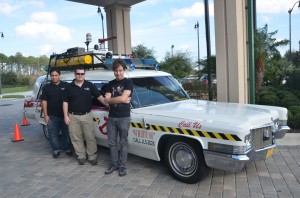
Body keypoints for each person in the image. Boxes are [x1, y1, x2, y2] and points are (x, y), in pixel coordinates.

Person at [63, 66, 106, 165]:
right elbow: (65, 102)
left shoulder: (90, 85)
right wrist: (66, 116)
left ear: (84, 74)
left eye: (82, 74)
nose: (80, 75)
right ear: (75, 74)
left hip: (87, 115)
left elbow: (100, 97)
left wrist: (108, 105)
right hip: (73, 116)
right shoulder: (68, 87)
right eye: (78, 74)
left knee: (90, 137)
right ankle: (81, 155)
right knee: (76, 137)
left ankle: (92, 156)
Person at [104, 59, 133, 177]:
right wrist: (120, 99)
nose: (118, 73)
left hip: (124, 117)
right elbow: (107, 100)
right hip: (112, 117)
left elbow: (119, 99)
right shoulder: (109, 84)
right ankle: (114, 164)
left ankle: (122, 166)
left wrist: (113, 99)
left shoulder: (128, 83)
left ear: (124, 70)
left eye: (120, 70)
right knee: (112, 142)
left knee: (123, 143)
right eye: (116, 71)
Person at [40, 67, 73, 158]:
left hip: (65, 115)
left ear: (59, 75)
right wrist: (46, 115)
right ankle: (56, 149)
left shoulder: (66, 86)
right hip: (52, 116)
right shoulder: (46, 88)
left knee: (66, 134)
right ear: (50, 76)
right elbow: (44, 102)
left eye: (56, 75)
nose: (54, 77)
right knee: (53, 134)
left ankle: (67, 148)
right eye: (52, 76)